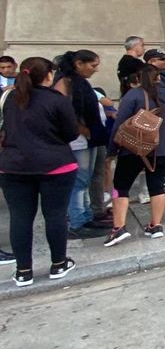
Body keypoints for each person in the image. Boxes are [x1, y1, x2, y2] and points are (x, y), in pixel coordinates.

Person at [1, 57, 80, 285]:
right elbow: (71, 132)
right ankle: (58, 263)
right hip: (54, 164)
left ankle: (23, 270)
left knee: (20, 218)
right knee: (55, 214)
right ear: (48, 76)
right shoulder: (56, 100)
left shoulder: (9, 99)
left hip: (14, 165)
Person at [104, 65, 165, 246]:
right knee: (157, 184)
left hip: (135, 149)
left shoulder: (133, 95)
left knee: (121, 187)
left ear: (138, 78)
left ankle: (118, 228)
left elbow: (119, 125)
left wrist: (111, 151)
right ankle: (156, 225)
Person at [54, 50, 108, 239]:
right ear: (79, 64)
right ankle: (77, 222)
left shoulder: (79, 82)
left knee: (85, 178)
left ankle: (86, 215)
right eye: (92, 65)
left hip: (89, 138)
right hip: (78, 140)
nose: (95, 69)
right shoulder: (65, 82)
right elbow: (64, 110)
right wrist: (82, 129)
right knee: (79, 181)